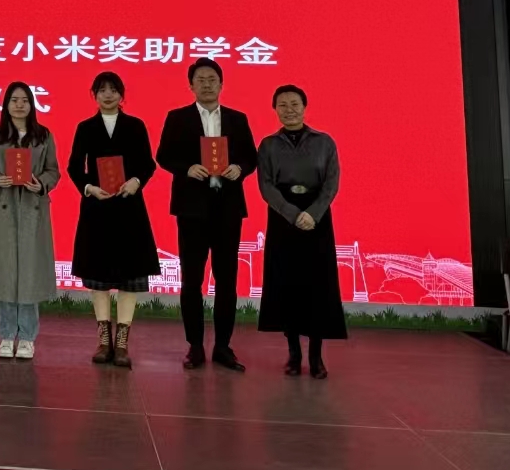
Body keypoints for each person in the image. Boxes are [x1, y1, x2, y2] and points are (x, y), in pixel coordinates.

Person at [155, 57, 258, 372]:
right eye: (200, 79)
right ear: (191, 85)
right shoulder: (177, 117)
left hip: (228, 209)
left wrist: (239, 168)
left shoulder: (237, 119)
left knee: (227, 280)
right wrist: (187, 168)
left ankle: (223, 347)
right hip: (192, 209)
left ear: (222, 84)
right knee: (192, 280)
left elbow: (251, 157)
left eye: (212, 79)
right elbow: (163, 155)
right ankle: (195, 346)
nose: (207, 84)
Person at [67, 71, 159, 368]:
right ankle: (104, 341)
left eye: (113, 90)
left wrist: (136, 181)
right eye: (102, 90)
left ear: (122, 94)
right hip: (97, 208)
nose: (108, 95)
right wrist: (88, 187)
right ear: (94, 95)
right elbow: (74, 167)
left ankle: (122, 344)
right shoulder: (85, 127)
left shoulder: (135, 125)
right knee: (99, 277)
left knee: (130, 278)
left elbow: (148, 163)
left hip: (129, 208)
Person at [257, 85, 347, 378]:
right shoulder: (268, 145)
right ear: (275, 110)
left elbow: (331, 183)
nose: (289, 110)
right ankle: (293, 354)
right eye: (282, 105)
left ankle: (316, 356)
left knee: (317, 286)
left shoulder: (324, 142)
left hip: (316, 219)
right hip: (283, 218)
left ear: (305, 107)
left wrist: (313, 214)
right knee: (287, 284)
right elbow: (266, 186)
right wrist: (293, 215)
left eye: (294, 104)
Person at [0, 82, 61, 360]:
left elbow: (53, 171)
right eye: (14, 100)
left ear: (31, 104)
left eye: (25, 100)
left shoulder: (43, 135)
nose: (20, 105)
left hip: (32, 208)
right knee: (5, 271)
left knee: (29, 273)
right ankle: (5, 335)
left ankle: (26, 337)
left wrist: (42, 184)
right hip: (4, 208)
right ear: (6, 105)